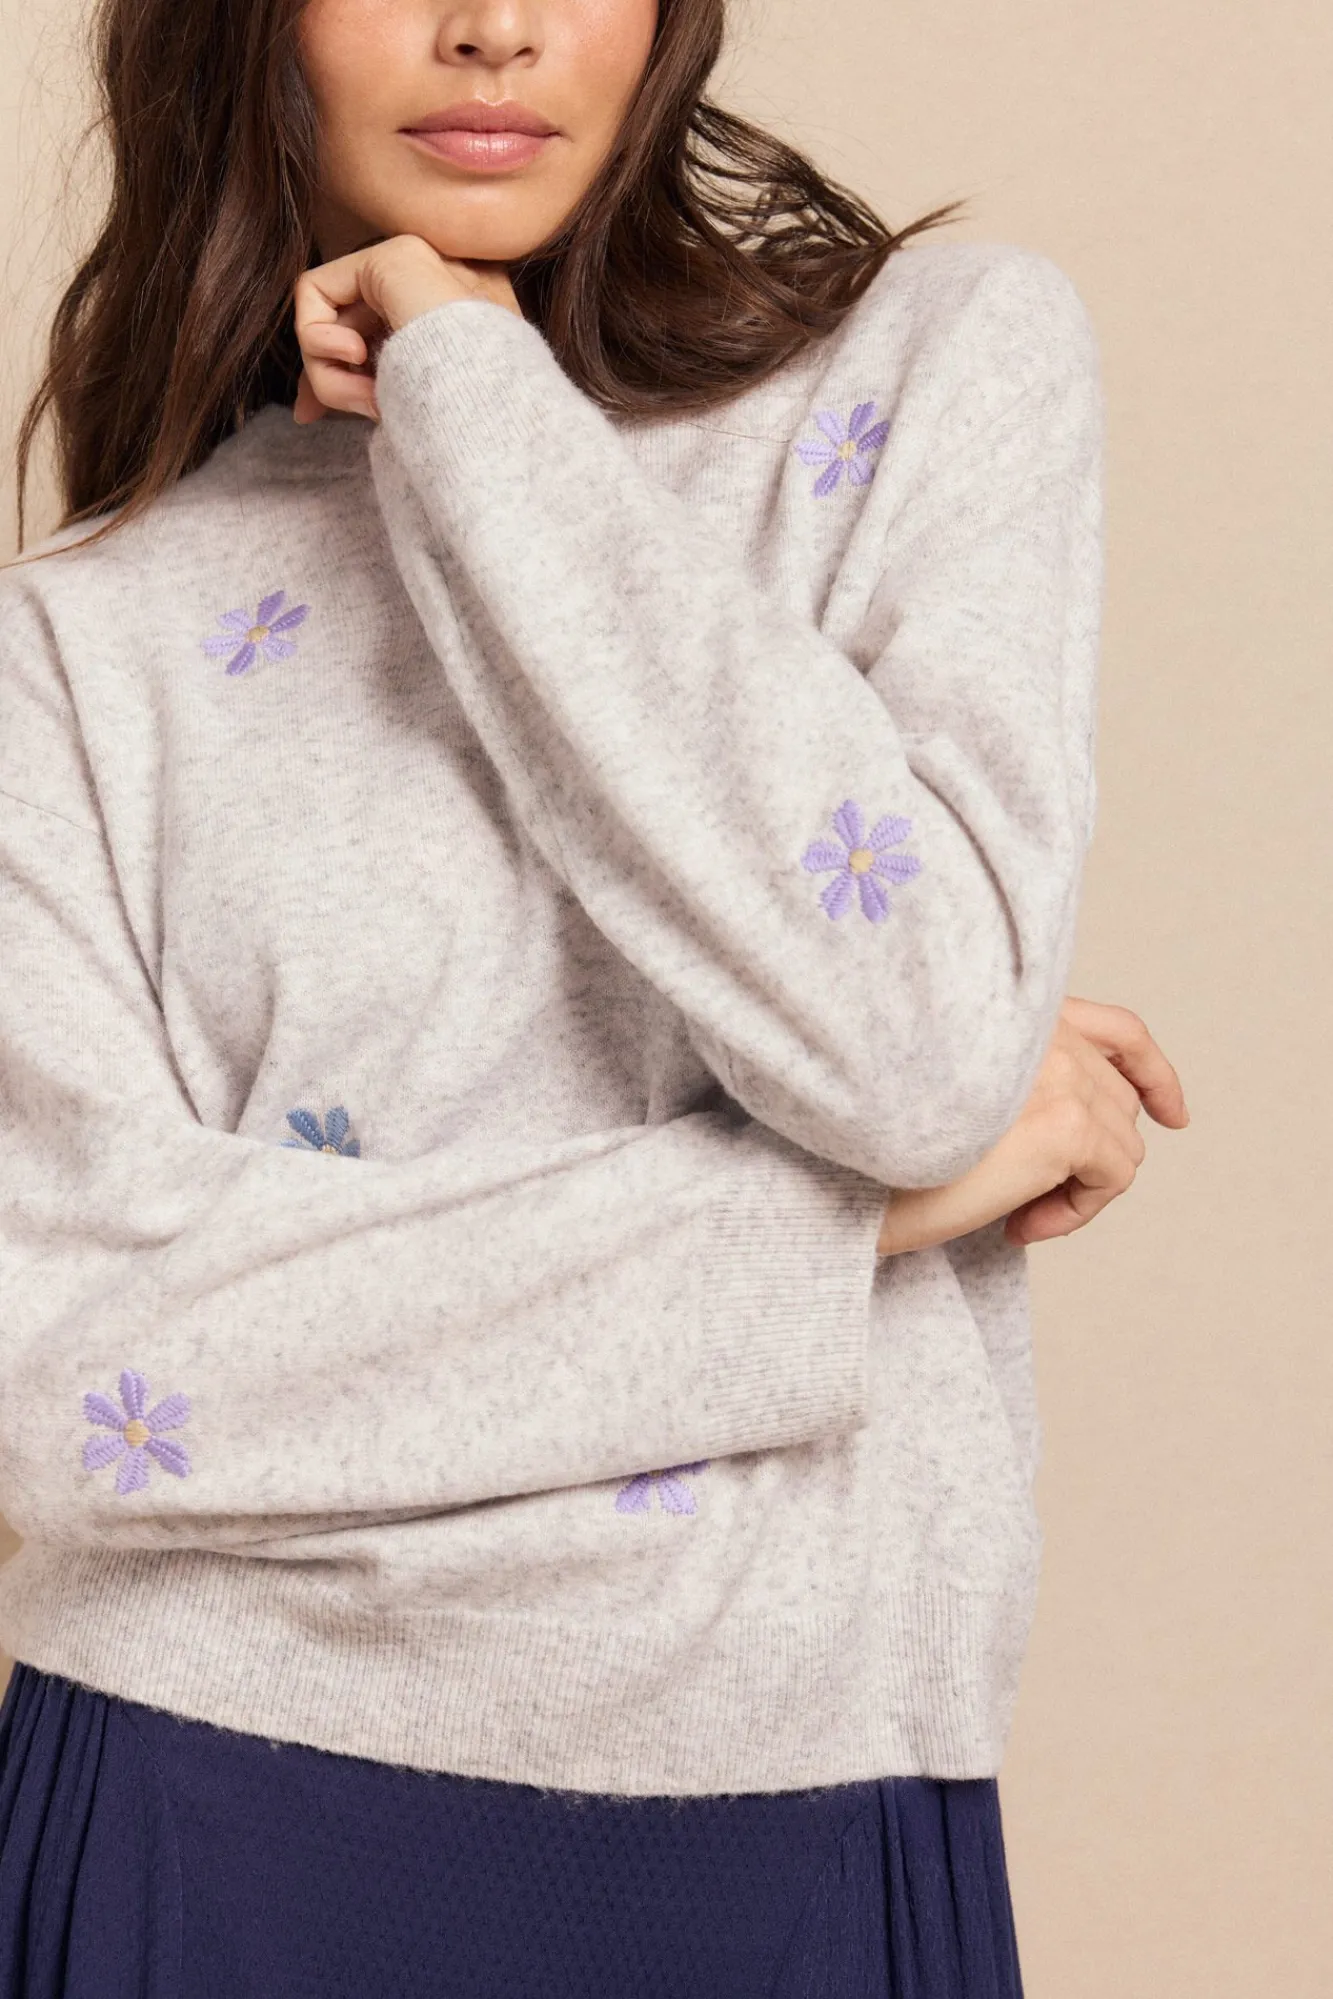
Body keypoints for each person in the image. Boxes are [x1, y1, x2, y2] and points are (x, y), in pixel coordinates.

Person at [0, 0, 1190, 1990]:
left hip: (801, 1795)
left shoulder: (933, 370)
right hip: (204, 1800)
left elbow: (909, 1051)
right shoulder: (74, 644)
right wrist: (841, 1228)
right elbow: (66, 1368)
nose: (497, 27)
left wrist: (481, 403)